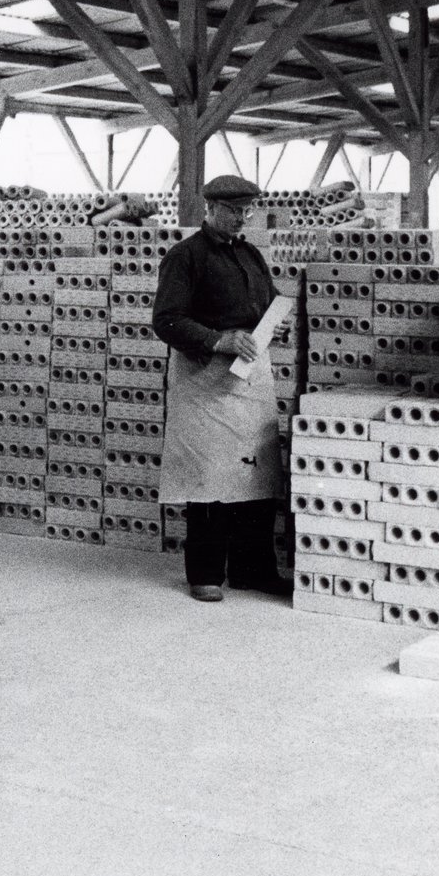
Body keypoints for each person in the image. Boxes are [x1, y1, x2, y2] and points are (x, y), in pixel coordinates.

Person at [151, 175, 290, 603]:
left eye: (246, 211)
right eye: (232, 210)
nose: (239, 218)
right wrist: (218, 338)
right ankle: (206, 574)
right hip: (205, 381)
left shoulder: (249, 254)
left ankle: (253, 570)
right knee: (209, 480)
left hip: (249, 380)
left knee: (255, 476)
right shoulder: (185, 256)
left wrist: (270, 325)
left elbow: (265, 302)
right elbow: (167, 319)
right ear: (208, 208)